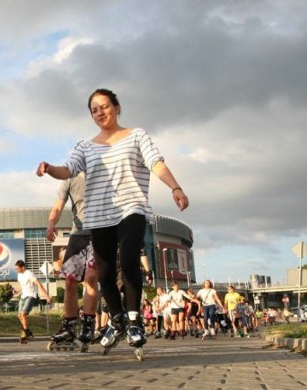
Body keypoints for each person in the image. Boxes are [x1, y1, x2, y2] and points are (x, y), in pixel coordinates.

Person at [36, 88, 189, 352]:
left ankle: (133, 320)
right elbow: (68, 169)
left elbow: (156, 163)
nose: (100, 113)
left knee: (129, 259)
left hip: (132, 208)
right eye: (94, 109)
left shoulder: (137, 135)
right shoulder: (85, 146)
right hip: (98, 217)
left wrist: (175, 187)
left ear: (117, 107)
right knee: (104, 274)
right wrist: (49, 169)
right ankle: (117, 318)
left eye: (104, 106)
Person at [46, 172, 99, 346]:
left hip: (100, 233)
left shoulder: (103, 175)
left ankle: (88, 324)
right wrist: (51, 223)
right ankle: (69, 326)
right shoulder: (69, 179)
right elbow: (58, 206)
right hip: (78, 234)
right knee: (69, 281)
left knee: (91, 277)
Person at [14, 260, 53, 341]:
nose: (16, 270)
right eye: (16, 269)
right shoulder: (19, 275)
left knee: (23, 314)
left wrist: (47, 296)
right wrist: (17, 291)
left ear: (23, 267)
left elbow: (39, 284)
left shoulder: (29, 273)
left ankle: (26, 332)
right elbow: (22, 286)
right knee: (19, 315)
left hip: (31, 296)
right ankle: (28, 332)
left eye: (18, 269)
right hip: (23, 296)